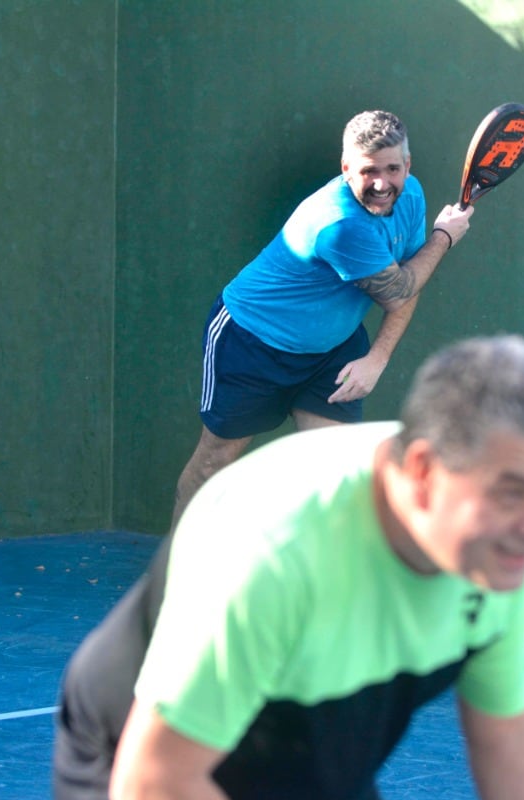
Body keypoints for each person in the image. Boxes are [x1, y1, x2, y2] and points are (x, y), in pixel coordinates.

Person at [52, 334, 524, 800]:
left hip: (313, 771)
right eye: (511, 492)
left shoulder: (493, 554)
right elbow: (155, 784)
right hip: (149, 778)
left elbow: (504, 731)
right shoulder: (272, 550)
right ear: (425, 470)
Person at [171, 109, 475, 525]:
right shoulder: (340, 223)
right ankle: (176, 568)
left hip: (332, 350)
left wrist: (378, 357)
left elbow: (410, 279)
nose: (382, 184)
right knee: (215, 460)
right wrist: (445, 235)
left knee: (336, 473)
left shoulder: (412, 196)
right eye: (368, 171)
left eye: (392, 169)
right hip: (250, 342)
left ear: (408, 166)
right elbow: (399, 289)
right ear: (346, 168)